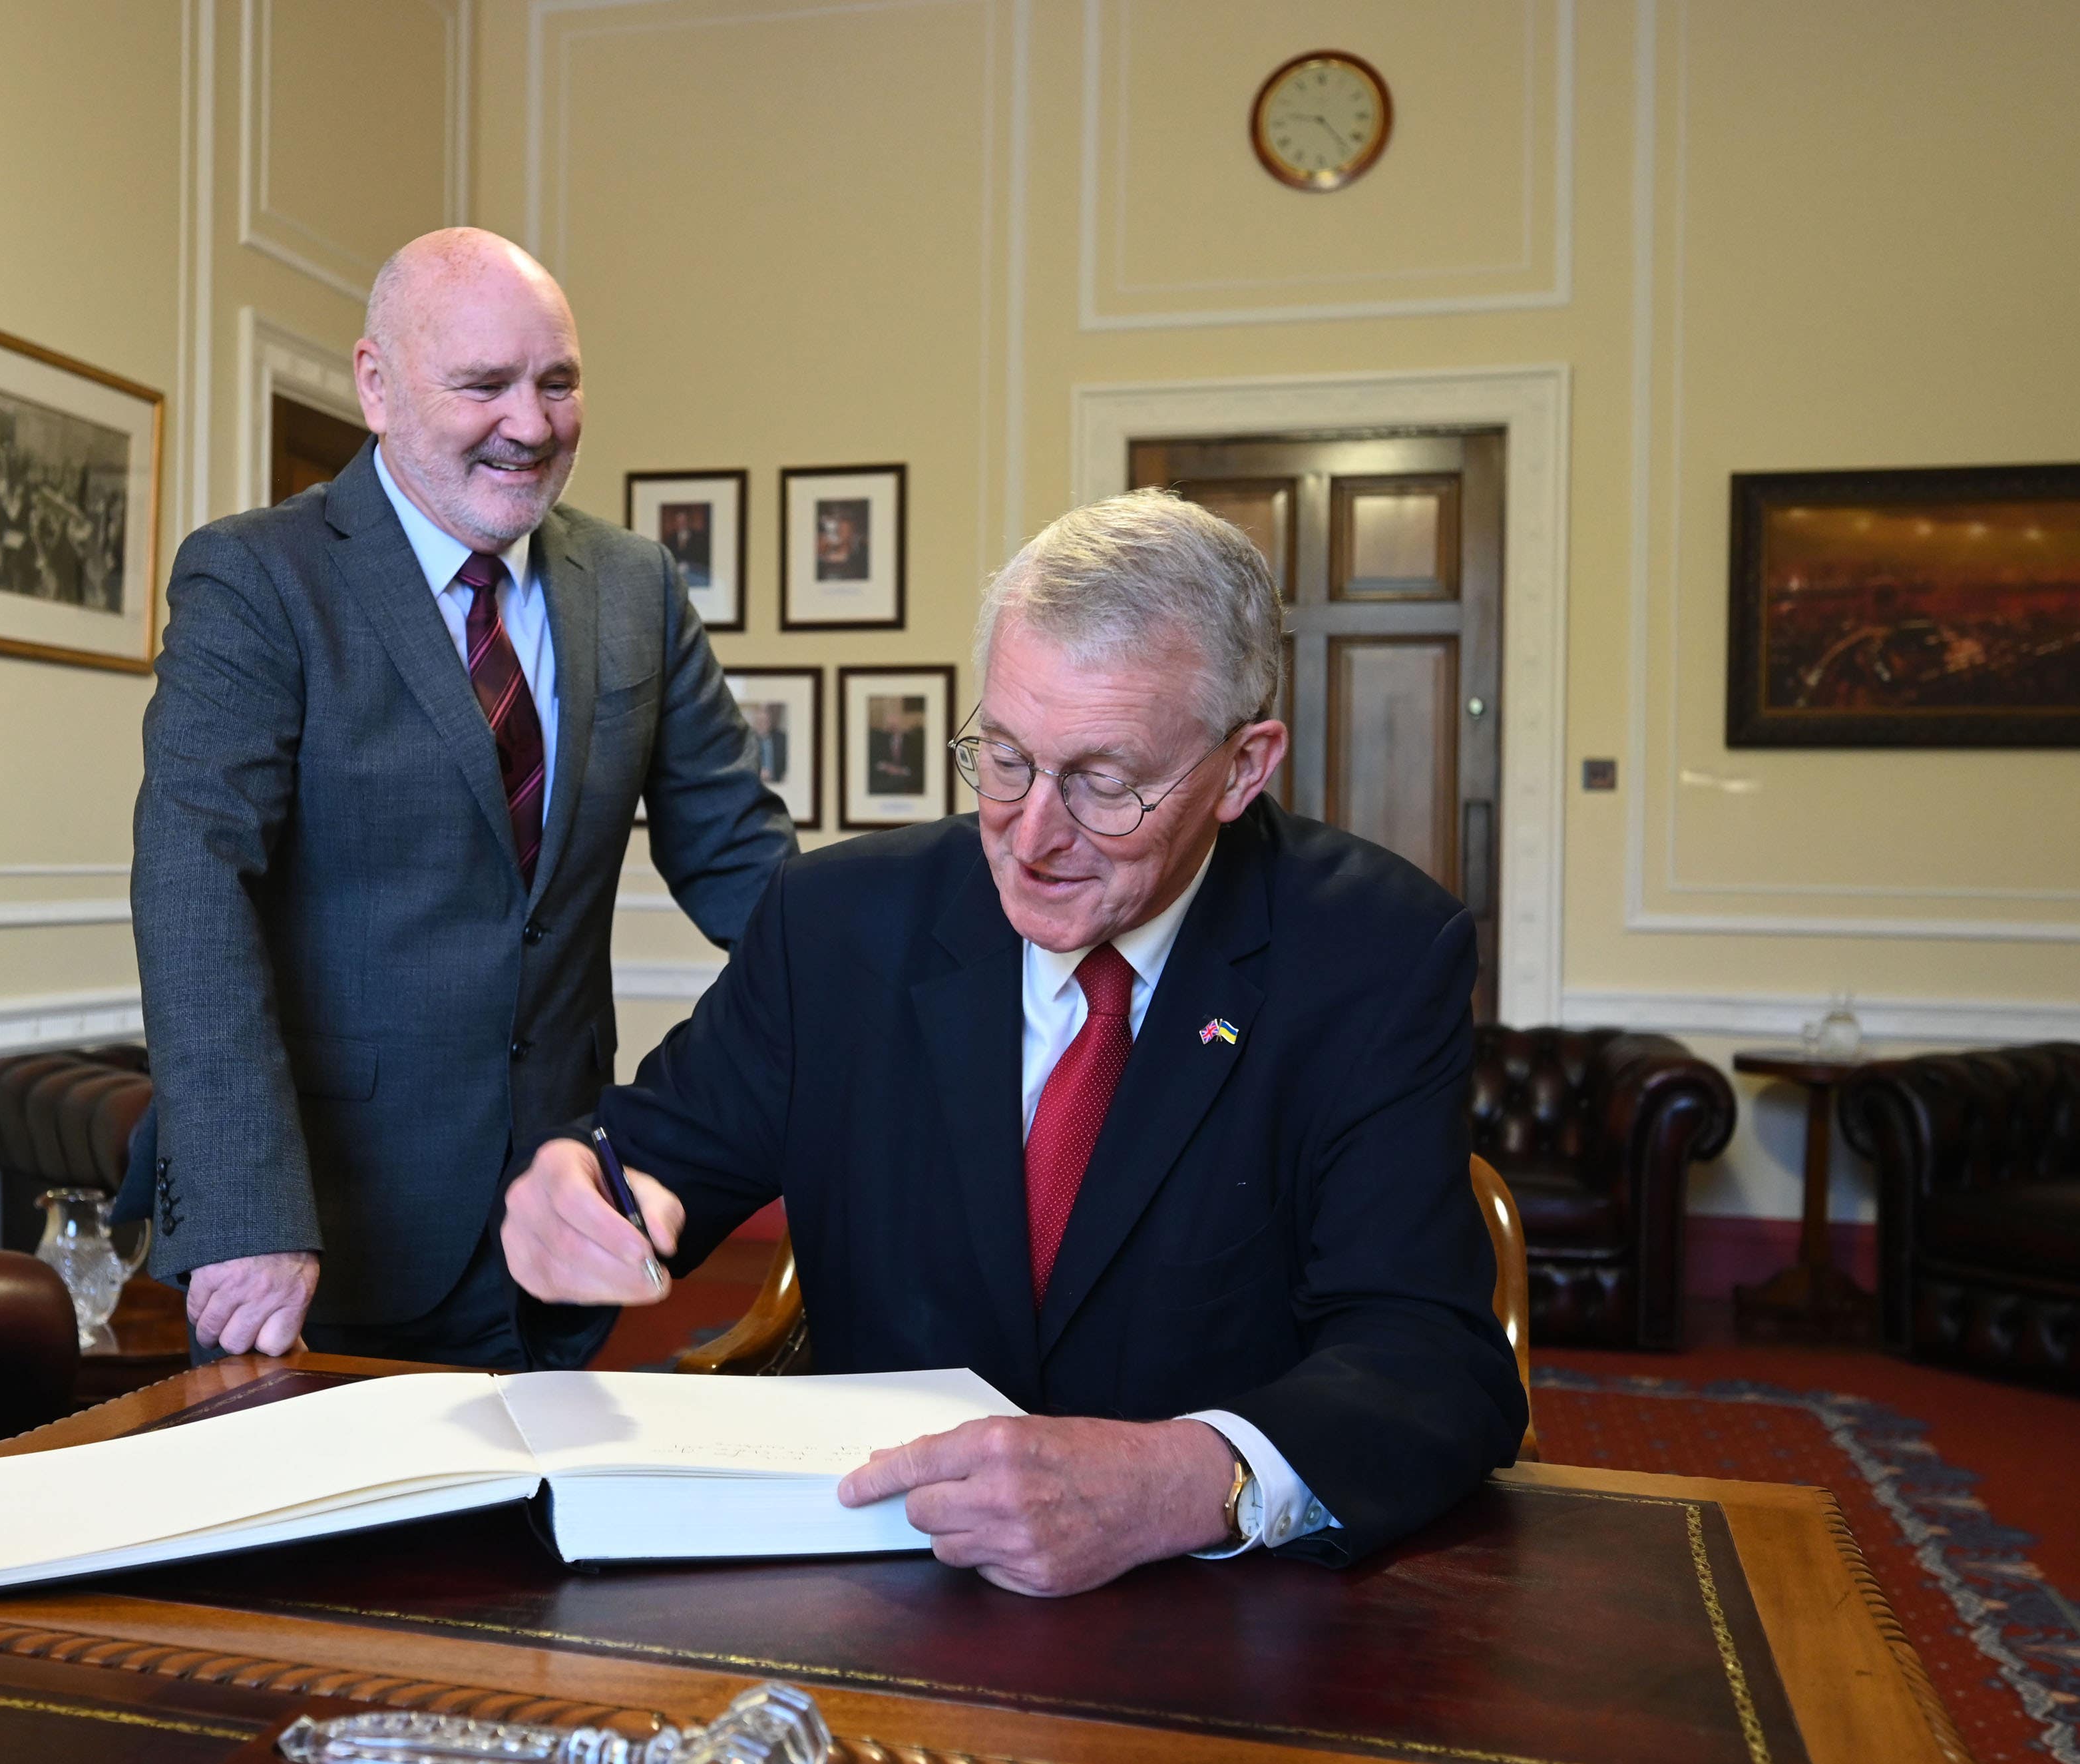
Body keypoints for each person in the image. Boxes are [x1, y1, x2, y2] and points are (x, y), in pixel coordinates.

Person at [502, 488, 1526, 1594]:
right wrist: (577, 1187)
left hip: (1208, 1603)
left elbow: (1431, 1362)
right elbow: (652, 1157)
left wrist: (1183, 1480)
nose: (1033, 837)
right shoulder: (839, 922)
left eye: (1105, 782)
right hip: (878, 1583)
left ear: (1243, 766)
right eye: (1004, 757)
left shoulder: (1374, 955)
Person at [131, 226, 795, 1369]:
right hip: (318, 1239)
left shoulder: (634, 588)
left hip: (555, 1218)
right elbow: (194, 891)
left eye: (558, 382)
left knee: (538, 1550)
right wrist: (247, 1217)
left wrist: (934, 984)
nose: (530, 425)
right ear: (376, 386)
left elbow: (748, 865)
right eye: (484, 384)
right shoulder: (257, 578)